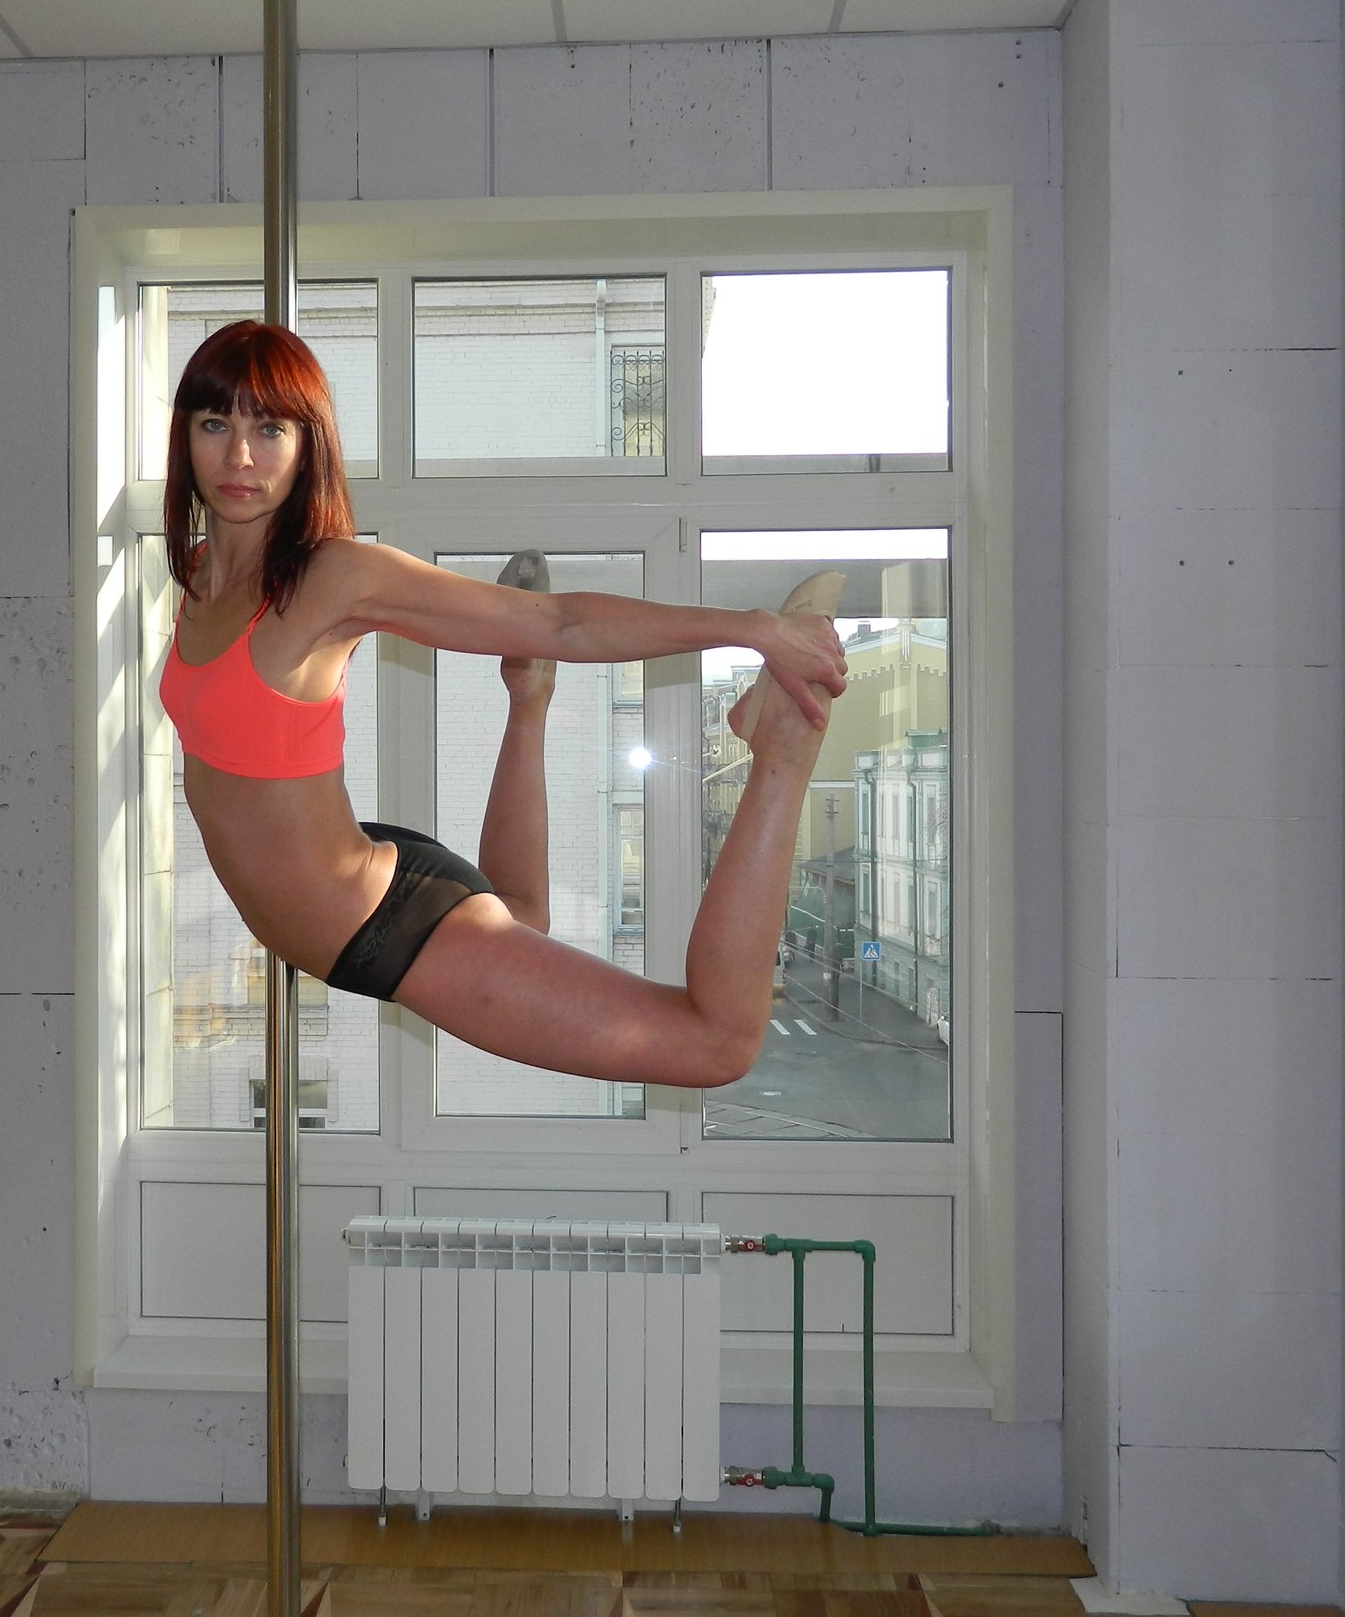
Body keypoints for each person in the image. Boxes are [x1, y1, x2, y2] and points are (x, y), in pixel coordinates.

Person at [158, 320, 847, 1089]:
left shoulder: (331, 578)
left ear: (305, 446)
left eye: (269, 429)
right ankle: (530, 697)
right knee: (520, 911)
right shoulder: (198, 574)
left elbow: (562, 623)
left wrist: (754, 630)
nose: (240, 456)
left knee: (714, 1045)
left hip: (379, 926)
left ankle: (781, 747)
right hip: (360, 863)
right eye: (215, 424)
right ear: (185, 436)